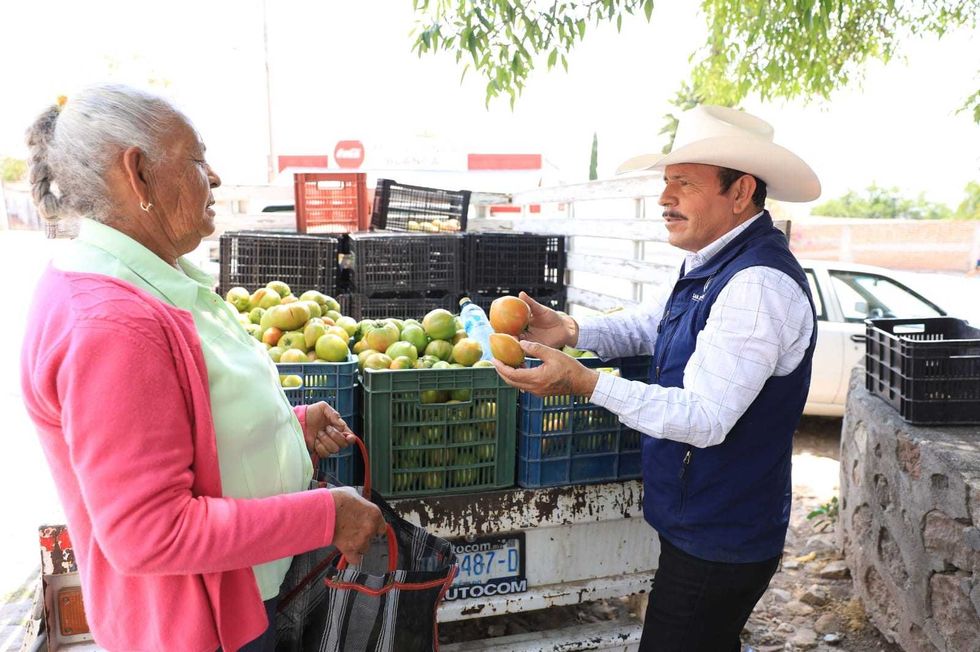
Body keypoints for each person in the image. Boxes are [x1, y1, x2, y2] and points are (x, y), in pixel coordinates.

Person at [20, 84, 385, 652]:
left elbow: (175, 428)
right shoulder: (113, 324)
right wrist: (325, 515)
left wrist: (284, 430)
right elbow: (150, 532)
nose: (213, 177)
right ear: (137, 173)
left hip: (239, 599)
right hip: (198, 628)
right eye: (196, 160)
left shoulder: (143, 280)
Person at [493, 105, 821, 651]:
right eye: (666, 182)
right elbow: (657, 322)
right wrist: (571, 329)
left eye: (684, 183)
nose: (665, 198)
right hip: (704, 518)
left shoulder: (757, 283)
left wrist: (586, 383)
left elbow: (706, 417)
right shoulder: (716, 262)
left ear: (740, 192)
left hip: (722, 531)